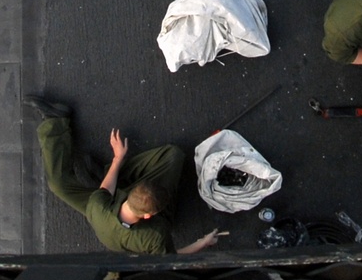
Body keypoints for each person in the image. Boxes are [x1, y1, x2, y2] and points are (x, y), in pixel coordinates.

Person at [26, 97, 220, 256]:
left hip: (100, 215)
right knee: (174, 156)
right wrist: (202, 243)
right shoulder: (155, 235)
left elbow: (106, 190)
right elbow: (172, 258)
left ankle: (55, 123)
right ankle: (103, 169)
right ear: (148, 216)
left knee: (59, 186)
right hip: (108, 216)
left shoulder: (99, 204)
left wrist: (118, 158)